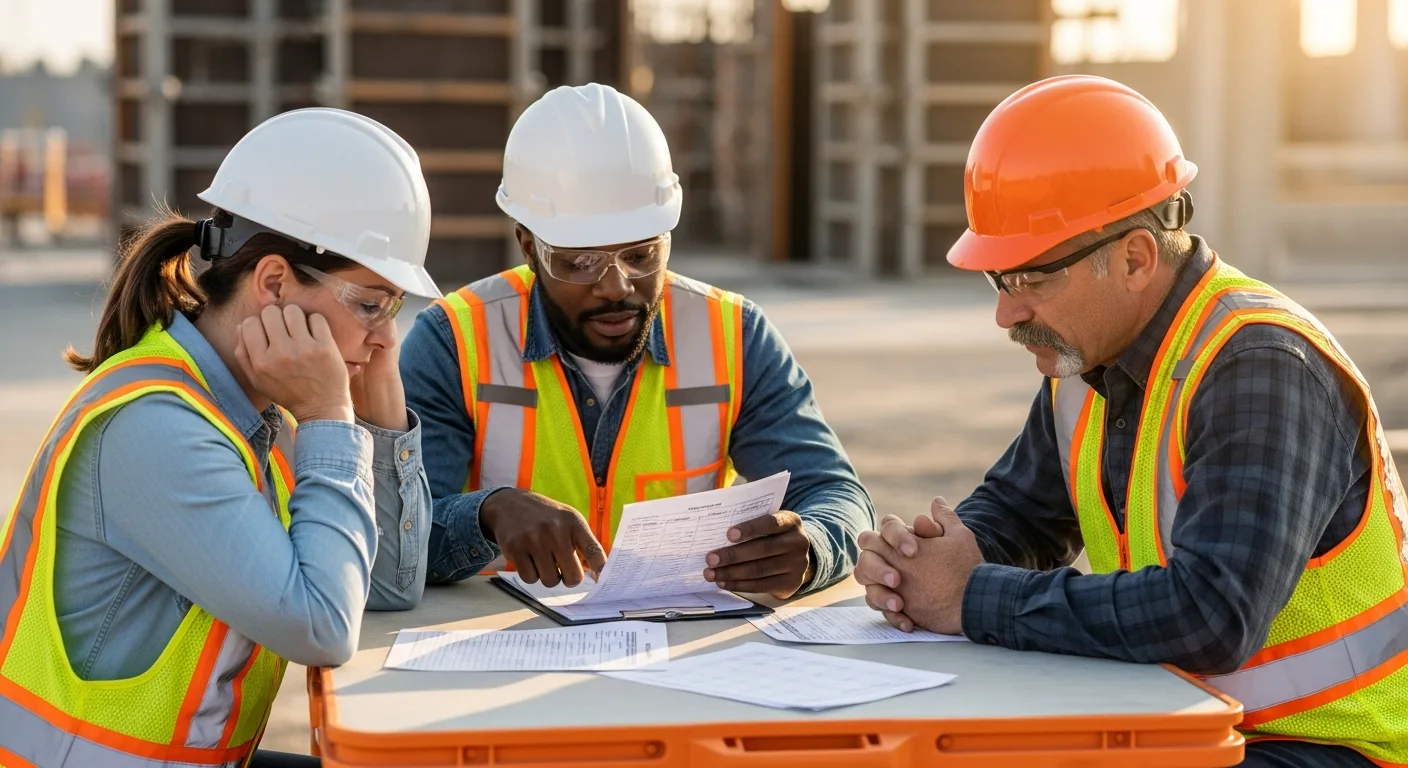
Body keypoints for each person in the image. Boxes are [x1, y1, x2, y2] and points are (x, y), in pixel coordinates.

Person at [856, 75, 1407, 767]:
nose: (1007, 314)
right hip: (1181, 724)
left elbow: (1211, 614)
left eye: (1029, 279)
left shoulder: (1261, 368)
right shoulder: (1088, 363)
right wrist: (921, 566)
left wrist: (970, 597)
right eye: (999, 282)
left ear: (1136, 258)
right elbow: (1021, 515)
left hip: (1322, 747)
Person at [0, 108, 441, 768]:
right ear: (272, 283)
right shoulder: (158, 429)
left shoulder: (258, 413)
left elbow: (385, 588)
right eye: (371, 304)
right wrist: (329, 419)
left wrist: (377, 423)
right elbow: (321, 627)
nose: (385, 340)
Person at [401, 83, 874, 598]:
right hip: (495, 646)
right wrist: (487, 513)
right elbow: (399, 535)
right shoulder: (454, 339)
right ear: (528, 246)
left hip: (677, 646)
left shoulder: (735, 336)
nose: (616, 286)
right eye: (580, 262)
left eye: (641, 255)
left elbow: (834, 492)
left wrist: (811, 549)